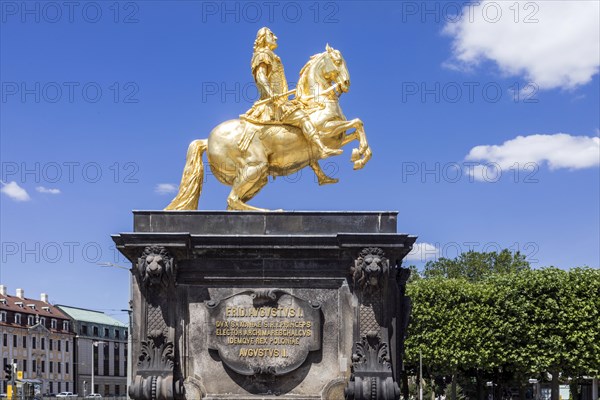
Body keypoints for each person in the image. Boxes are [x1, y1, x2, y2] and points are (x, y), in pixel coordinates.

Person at [242, 27, 342, 158]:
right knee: (303, 118)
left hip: (281, 102)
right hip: (273, 106)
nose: (275, 37)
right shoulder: (262, 55)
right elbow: (261, 77)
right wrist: (270, 93)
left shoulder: (272, 56)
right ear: (263, 38)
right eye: (271, 34)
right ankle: (322, 149)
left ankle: (316, 167)